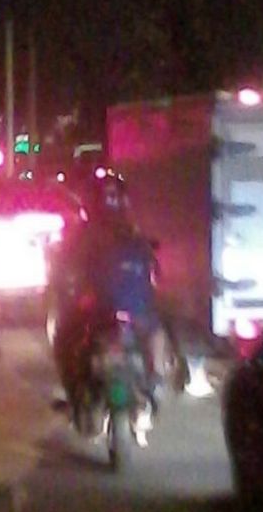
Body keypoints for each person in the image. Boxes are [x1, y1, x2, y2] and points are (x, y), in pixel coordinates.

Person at [49, 171, 179, 415]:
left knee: (63, 336)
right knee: (156, 329)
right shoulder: (131, 230)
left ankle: (70, 391)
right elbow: (154, 272)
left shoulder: (84, 234)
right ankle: (157, 382)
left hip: (97, 311)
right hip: (134, 311)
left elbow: (64, 269)